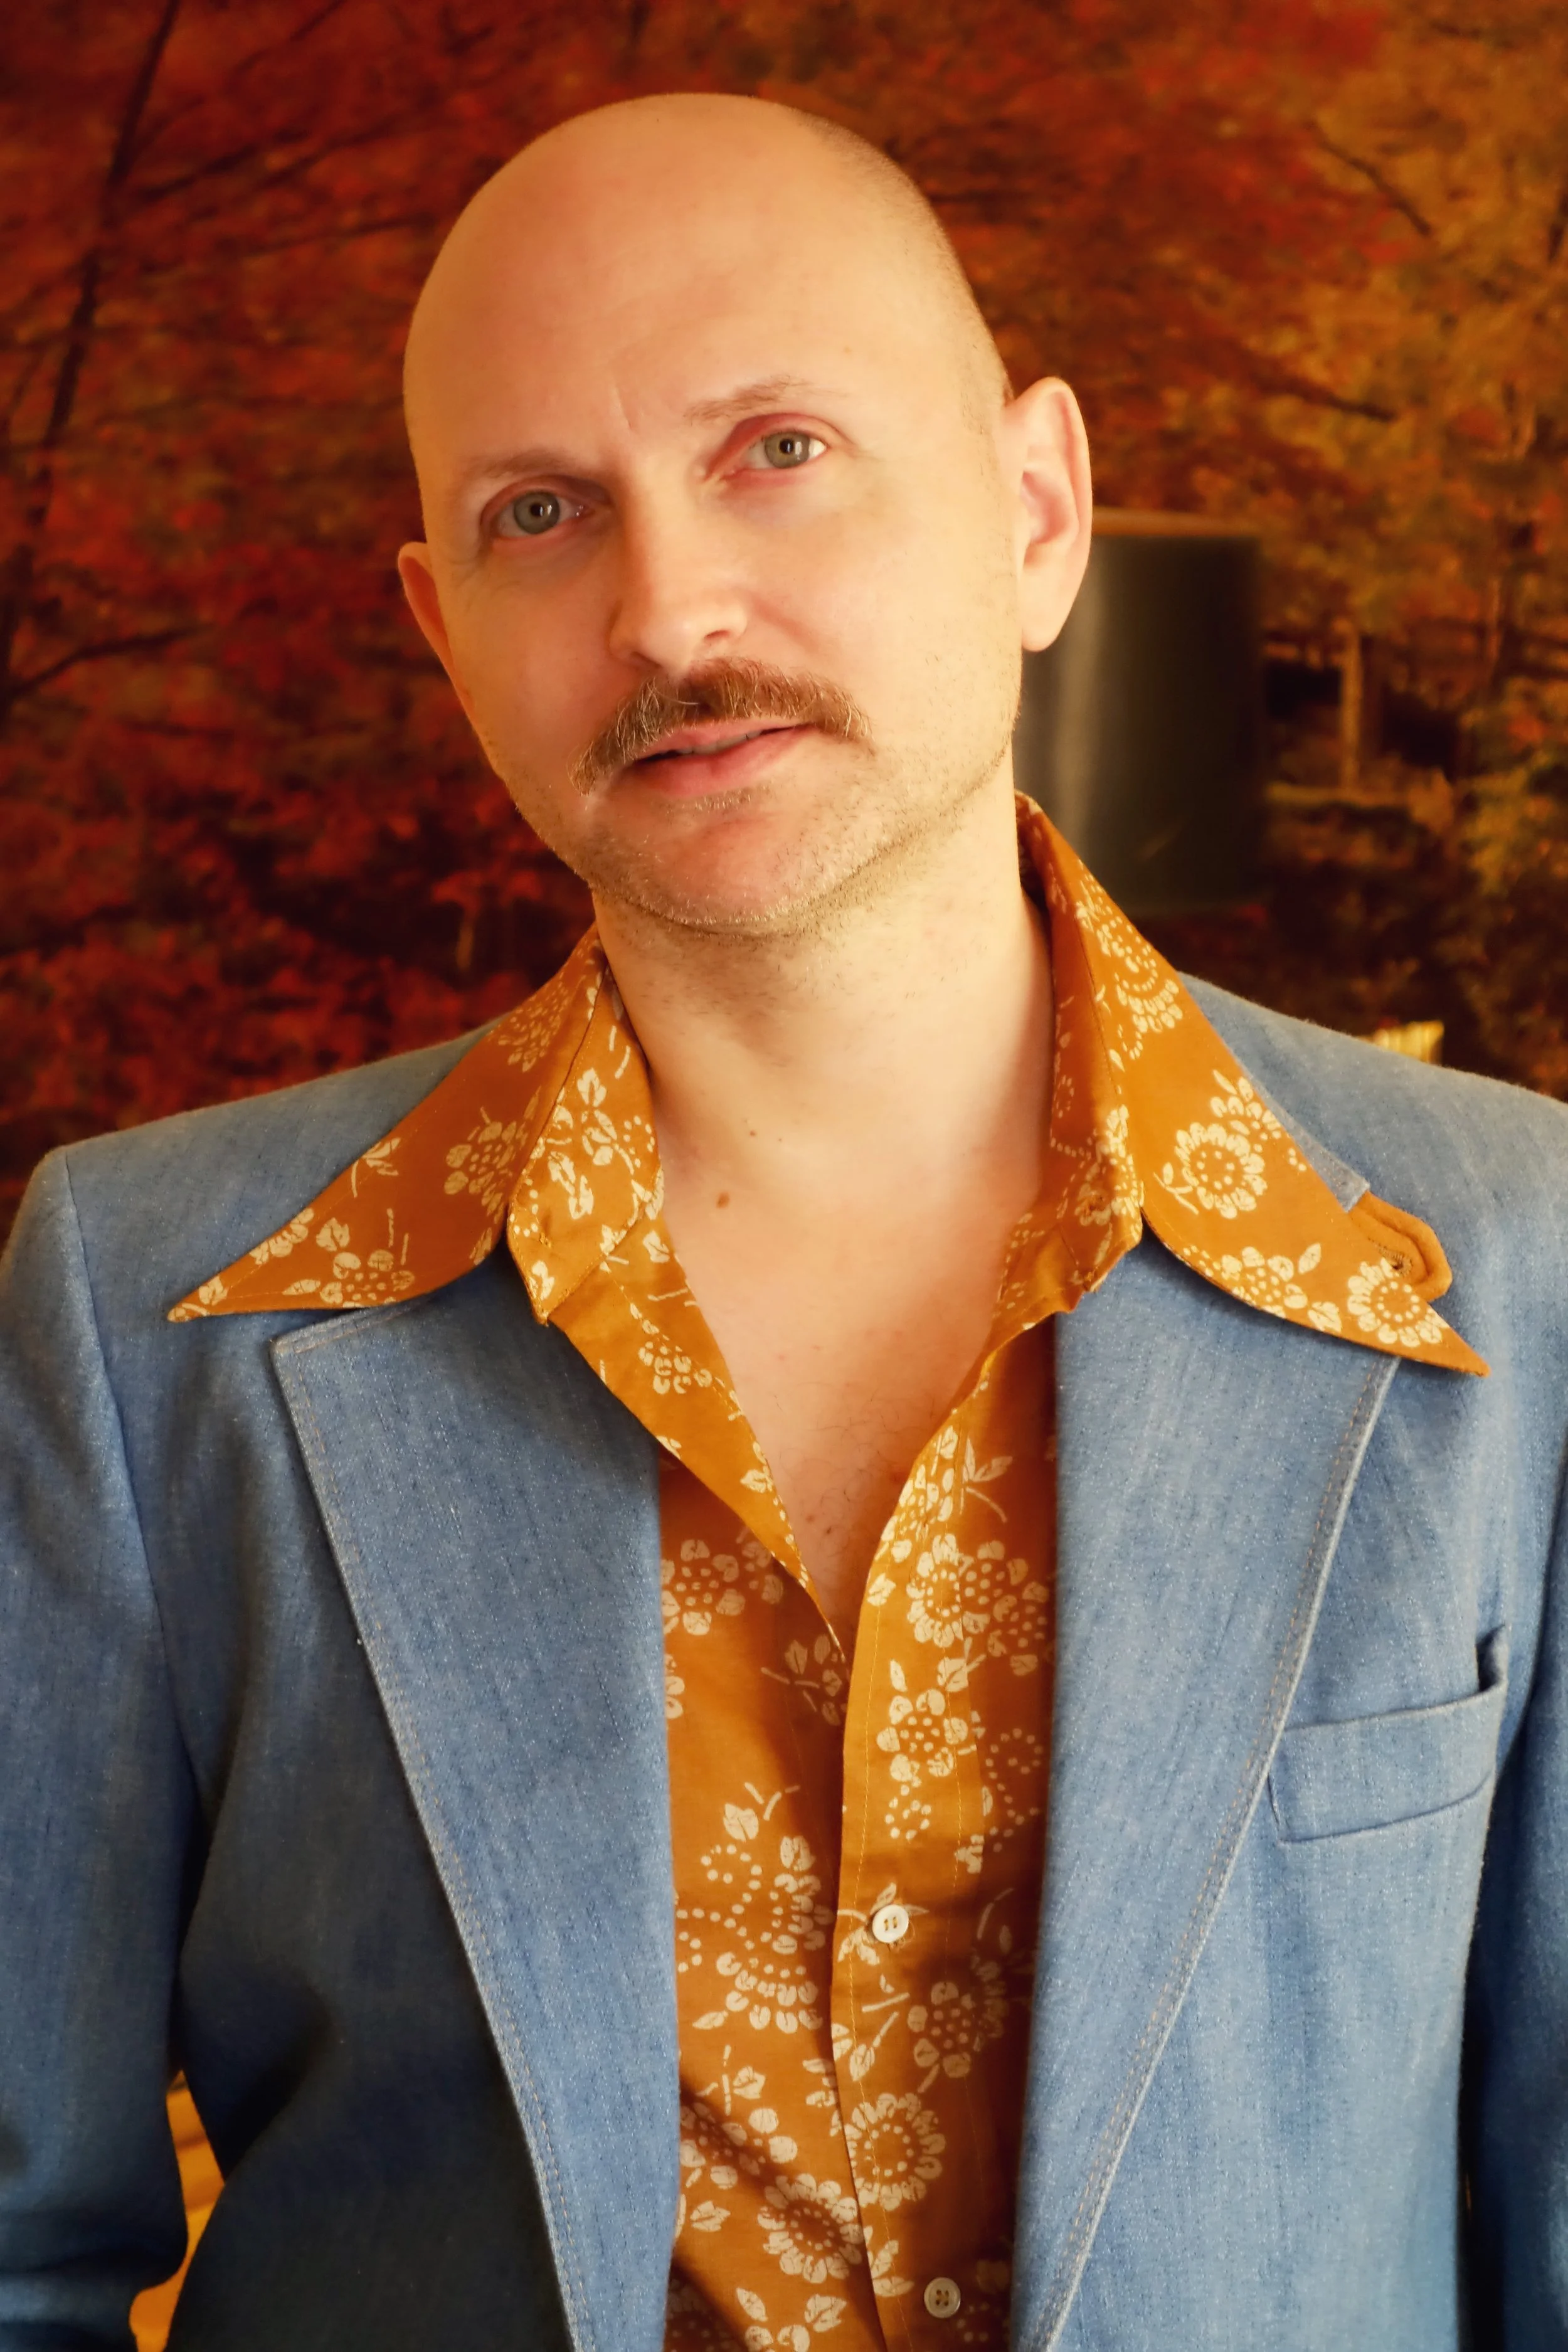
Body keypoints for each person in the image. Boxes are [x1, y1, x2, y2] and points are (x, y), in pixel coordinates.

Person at [1, 90, 1564, 2352]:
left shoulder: (1514, 1258)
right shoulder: (143, 1316)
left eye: (779, 449)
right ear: (446, 628)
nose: (665, 608)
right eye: (542, 512)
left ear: (1035, 512)